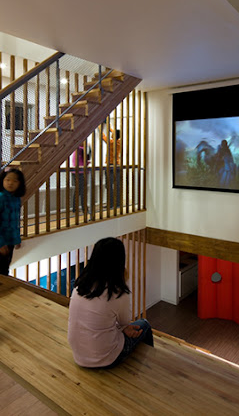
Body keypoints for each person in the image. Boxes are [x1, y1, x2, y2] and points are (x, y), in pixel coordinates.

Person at [67, 237, 153, 368]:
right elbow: (124, 322)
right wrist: (124, 328)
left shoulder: (79, 287)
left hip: (79, 355)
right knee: (144, 324)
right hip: (105, 358)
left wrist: (122, 327)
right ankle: (149, 368)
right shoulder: (118, 293)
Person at [0, 167, 26, 275]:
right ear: (2, 181)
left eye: (15, 181)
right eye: (7, 180)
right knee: (1, 270)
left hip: (10, 240)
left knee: (5, 268)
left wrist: (17, 239)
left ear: (20, 183)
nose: (10, 183)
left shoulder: (16, 198)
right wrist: (0, 243)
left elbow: (15, 221)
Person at [102, 127, 122, 209]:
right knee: (117, 185)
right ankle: (118, 203)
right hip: (117, 166)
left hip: (110, 166)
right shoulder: (119, 142)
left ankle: (110, 204)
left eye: (112, 134)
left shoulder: (111, 142)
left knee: (109, 185)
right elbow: (116, 133)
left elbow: (103, 136)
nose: (111, 134)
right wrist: (109, 126)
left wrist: (99, 127)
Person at [70, 143, 90, 214]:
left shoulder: (76, 149)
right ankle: (84, 209)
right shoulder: (82, 149)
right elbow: (85, 161)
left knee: (77, 190)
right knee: (83, 191)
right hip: (81, 173)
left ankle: (75, 208)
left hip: (75, 172)